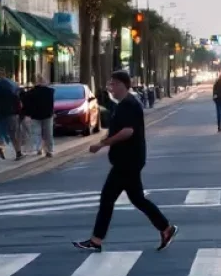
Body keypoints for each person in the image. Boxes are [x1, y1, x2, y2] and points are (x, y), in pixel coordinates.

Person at [73, 70, 177, 254]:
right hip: (129, 159)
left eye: (112, 84)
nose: (110, 88)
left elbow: (128, 131)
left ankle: (96, 240)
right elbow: (118, 129)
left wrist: (102, 144)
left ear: (122, 85)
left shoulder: (128, 104)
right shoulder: (123, 104)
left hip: (127, 160)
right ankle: (166, 228)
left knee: (108, 198)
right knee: (137, 198)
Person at [0, 69, 22, 160]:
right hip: (12, 111)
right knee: (13, 133)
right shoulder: (12, 84)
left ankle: (0, 152)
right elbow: (18, 97)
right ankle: (18, 151)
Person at [31, 75, 55, 158]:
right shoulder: (50, 91)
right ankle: (48, 150)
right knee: (48, 133)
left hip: (36, 115)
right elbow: (51, 103)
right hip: (47, 114)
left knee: (37, 133)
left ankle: (39, 149)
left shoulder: (33, 91)